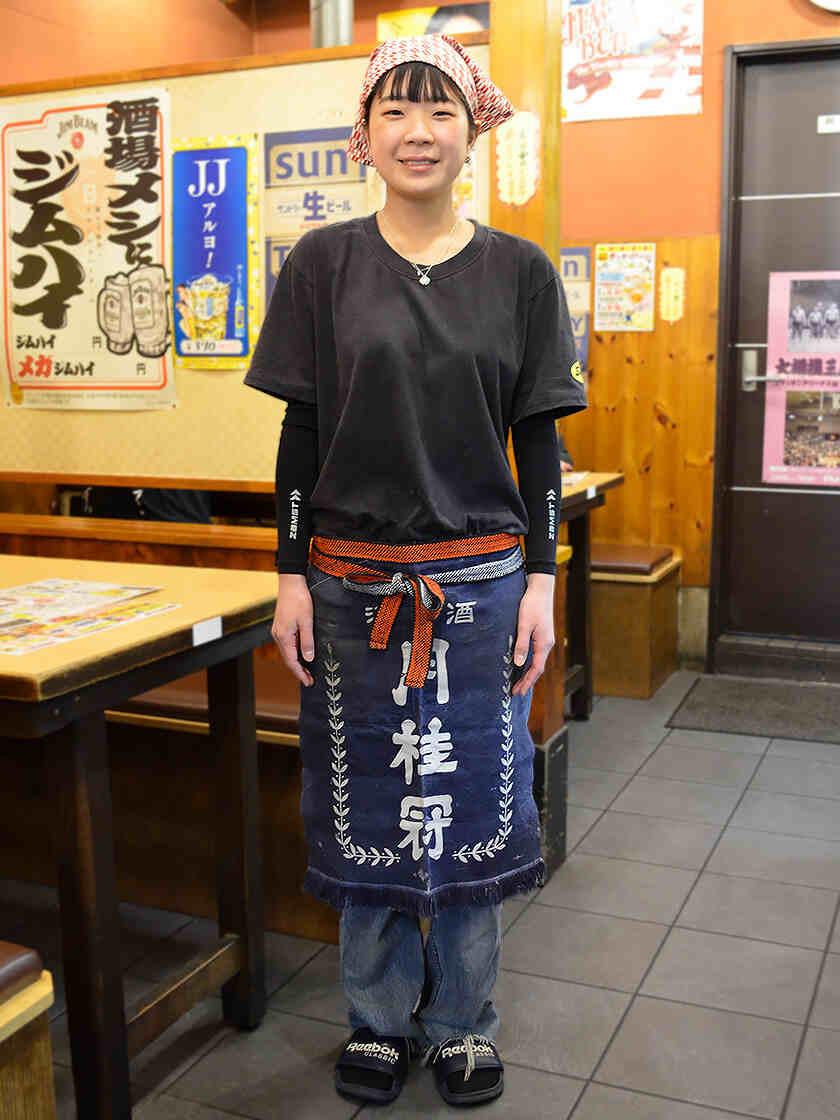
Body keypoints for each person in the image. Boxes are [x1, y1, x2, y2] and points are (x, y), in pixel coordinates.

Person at [245, 34, 586, 1107]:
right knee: (371, 808)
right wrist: (292, 573)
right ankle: (380, 1017)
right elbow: (301, 434)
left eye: (440, 110)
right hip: (351, 589)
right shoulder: (323, 264)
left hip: (482, 589)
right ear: (366, 134)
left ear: (474, 126)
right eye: (396, 110)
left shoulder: (521, 272)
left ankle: (464, 1019)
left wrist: (541, 579)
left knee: (478, 804)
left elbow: (539, 443)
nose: (419, 131)